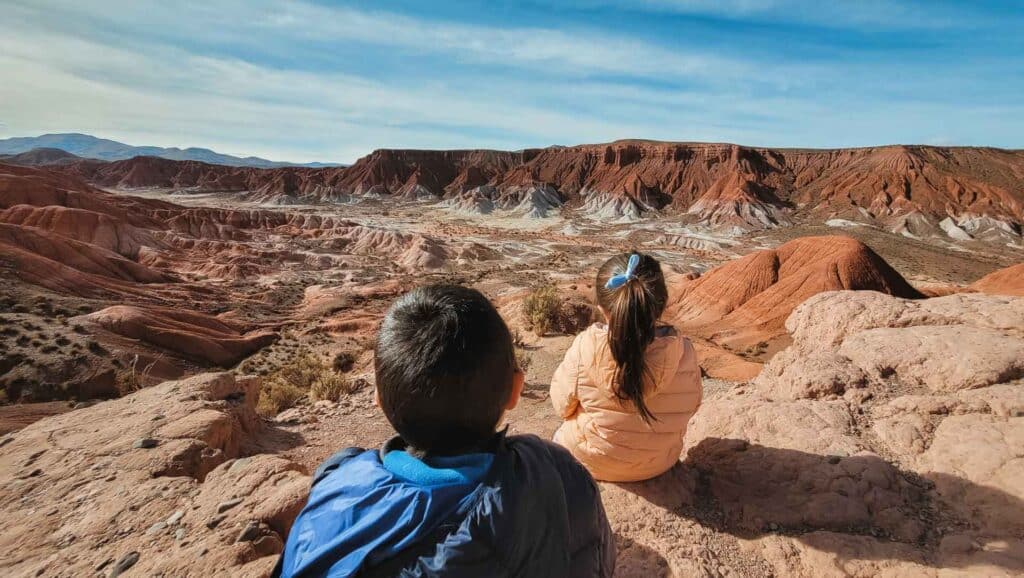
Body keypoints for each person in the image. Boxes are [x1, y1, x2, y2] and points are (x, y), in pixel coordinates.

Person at [276, 284, 615, 578]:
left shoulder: (336, 483)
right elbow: (598, 557)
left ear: (379, 398)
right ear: (515, 390)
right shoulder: (549, 473)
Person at [551, 252, 702, 482]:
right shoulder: (684, 352)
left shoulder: (585, 348)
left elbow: (562, 406)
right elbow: (692, 404)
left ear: (602, 308)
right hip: (659, 462)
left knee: (558, 437)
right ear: (660, 305)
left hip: (592, 462)